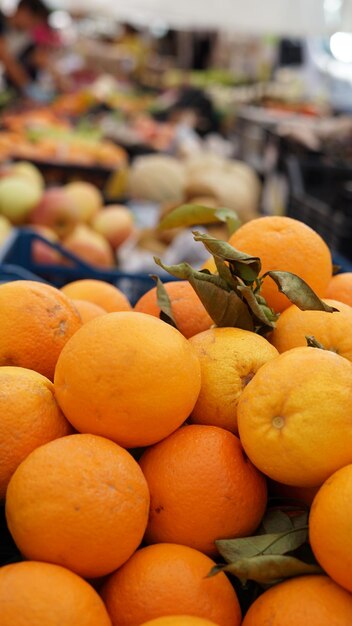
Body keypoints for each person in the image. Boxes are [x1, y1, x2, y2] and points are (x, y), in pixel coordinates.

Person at [0, 0, 60, 101]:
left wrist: (57, 76)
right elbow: (6, 59)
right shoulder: (2, 23)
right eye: (34, 21)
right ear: (24, 12)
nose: (33, 26)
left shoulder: (25, 34)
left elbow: (38, 56)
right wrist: (27, 87)